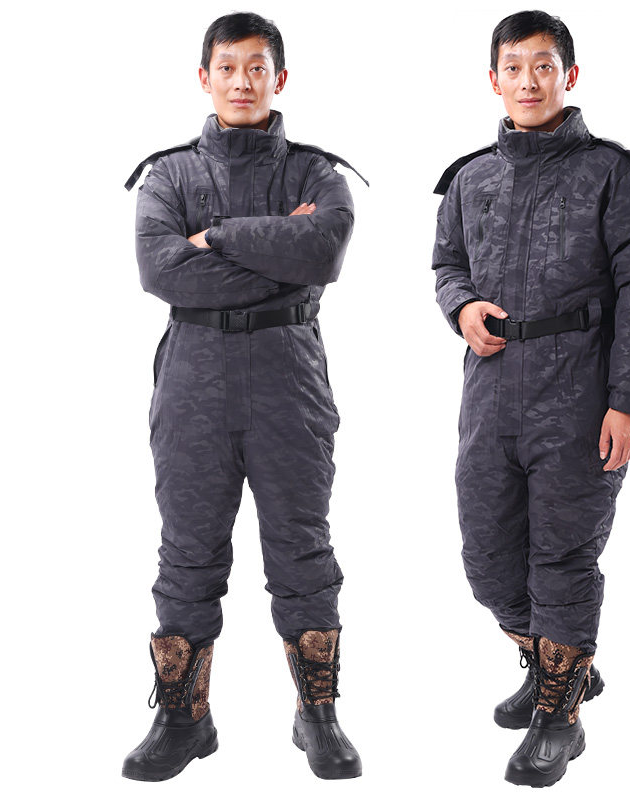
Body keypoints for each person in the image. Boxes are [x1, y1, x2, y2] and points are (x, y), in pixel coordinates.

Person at [431, 9, 630, 788]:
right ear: (493, 80)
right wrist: (460, 306)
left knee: (563, 558)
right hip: (490, 395)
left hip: (578, 393)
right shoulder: (470, 178)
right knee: (487, 559)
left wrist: (628, 402)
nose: (529, 81)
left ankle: (559, 719)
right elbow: (446, 264)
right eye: (514, 67)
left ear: (569, 75)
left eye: (544, 66)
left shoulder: (613, 175)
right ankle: (559, 664)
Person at [121, 11, 366, 782]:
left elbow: (324, 249)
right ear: (205, 77)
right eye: (227, 68)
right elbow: (160, 270)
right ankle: (183, 715)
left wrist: (219, 237)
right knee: (187, 550)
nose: (241, 82)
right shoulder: (168, 176)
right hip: (192, 376)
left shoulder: (317, 175)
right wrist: (276, 248)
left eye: (256, 67)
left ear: (278, 78)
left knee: (303, 546)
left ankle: (317, 712)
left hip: (289, 375)